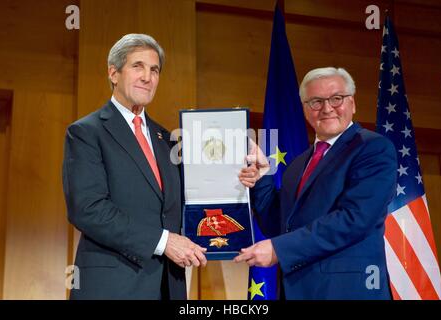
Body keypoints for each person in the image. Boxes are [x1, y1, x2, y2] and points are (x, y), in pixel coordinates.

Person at [62, 33, 207, 300]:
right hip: (114, 287)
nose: (147, 77)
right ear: (113, 73)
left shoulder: (168, 140)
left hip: (168, 287)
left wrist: (241, 174)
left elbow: (189, 204)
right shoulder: (87, 132)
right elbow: (88, 209)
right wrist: (163, 242)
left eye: (154, 70)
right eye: (137, 66)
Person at [236, 67, 397, 300]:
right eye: (316, 101)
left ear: (352, 103)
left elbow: (354, 219)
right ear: (305, 109)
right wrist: (262, 178)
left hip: (348, 292)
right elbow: (279, 225)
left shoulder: (373, 149)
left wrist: (280, 249)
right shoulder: (298, 164)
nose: (327, 108)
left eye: (336, 99)